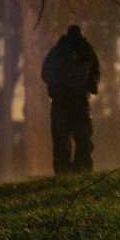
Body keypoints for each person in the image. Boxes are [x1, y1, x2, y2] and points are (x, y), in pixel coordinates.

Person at [42, 25, 100, 174]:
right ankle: (76, 168)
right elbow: (95, 71)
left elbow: (46, 73)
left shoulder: (61, 51)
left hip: (70, 100)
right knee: (76, 137)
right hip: (70, 100)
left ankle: (72, 168)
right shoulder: (85, 51)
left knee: (74, 137)